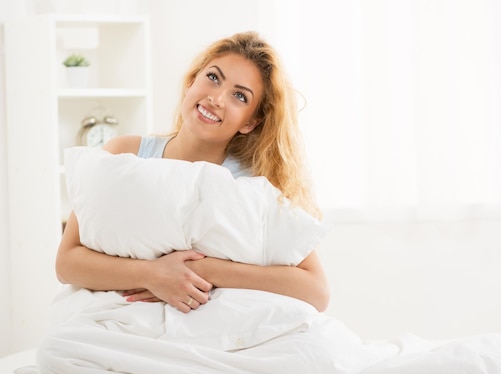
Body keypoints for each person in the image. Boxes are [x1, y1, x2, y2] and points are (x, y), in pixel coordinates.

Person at [55, 31, 329, 314]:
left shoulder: (251, 185)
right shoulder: (124, 154)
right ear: (191, 82)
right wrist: (152, 274)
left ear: (250, 122)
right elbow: (66, 264)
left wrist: (203, 270)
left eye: (239, 96)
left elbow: (316, 291)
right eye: (213, 77)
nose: (217, 98)